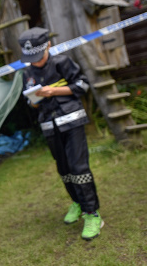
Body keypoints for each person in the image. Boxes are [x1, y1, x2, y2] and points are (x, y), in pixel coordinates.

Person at [18, 27, 104, 241]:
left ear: (47, 45)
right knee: (64, 169)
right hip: (49, 125)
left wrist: (53, 91)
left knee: (79, 167)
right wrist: (34, 100)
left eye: (38, 56)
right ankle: (77, 202)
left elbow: (82, 85)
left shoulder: (62, 62)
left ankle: (92, 213)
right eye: (31, 58)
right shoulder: (26, 73)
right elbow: (30, 105)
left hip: (72, 121)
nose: (35, 62)